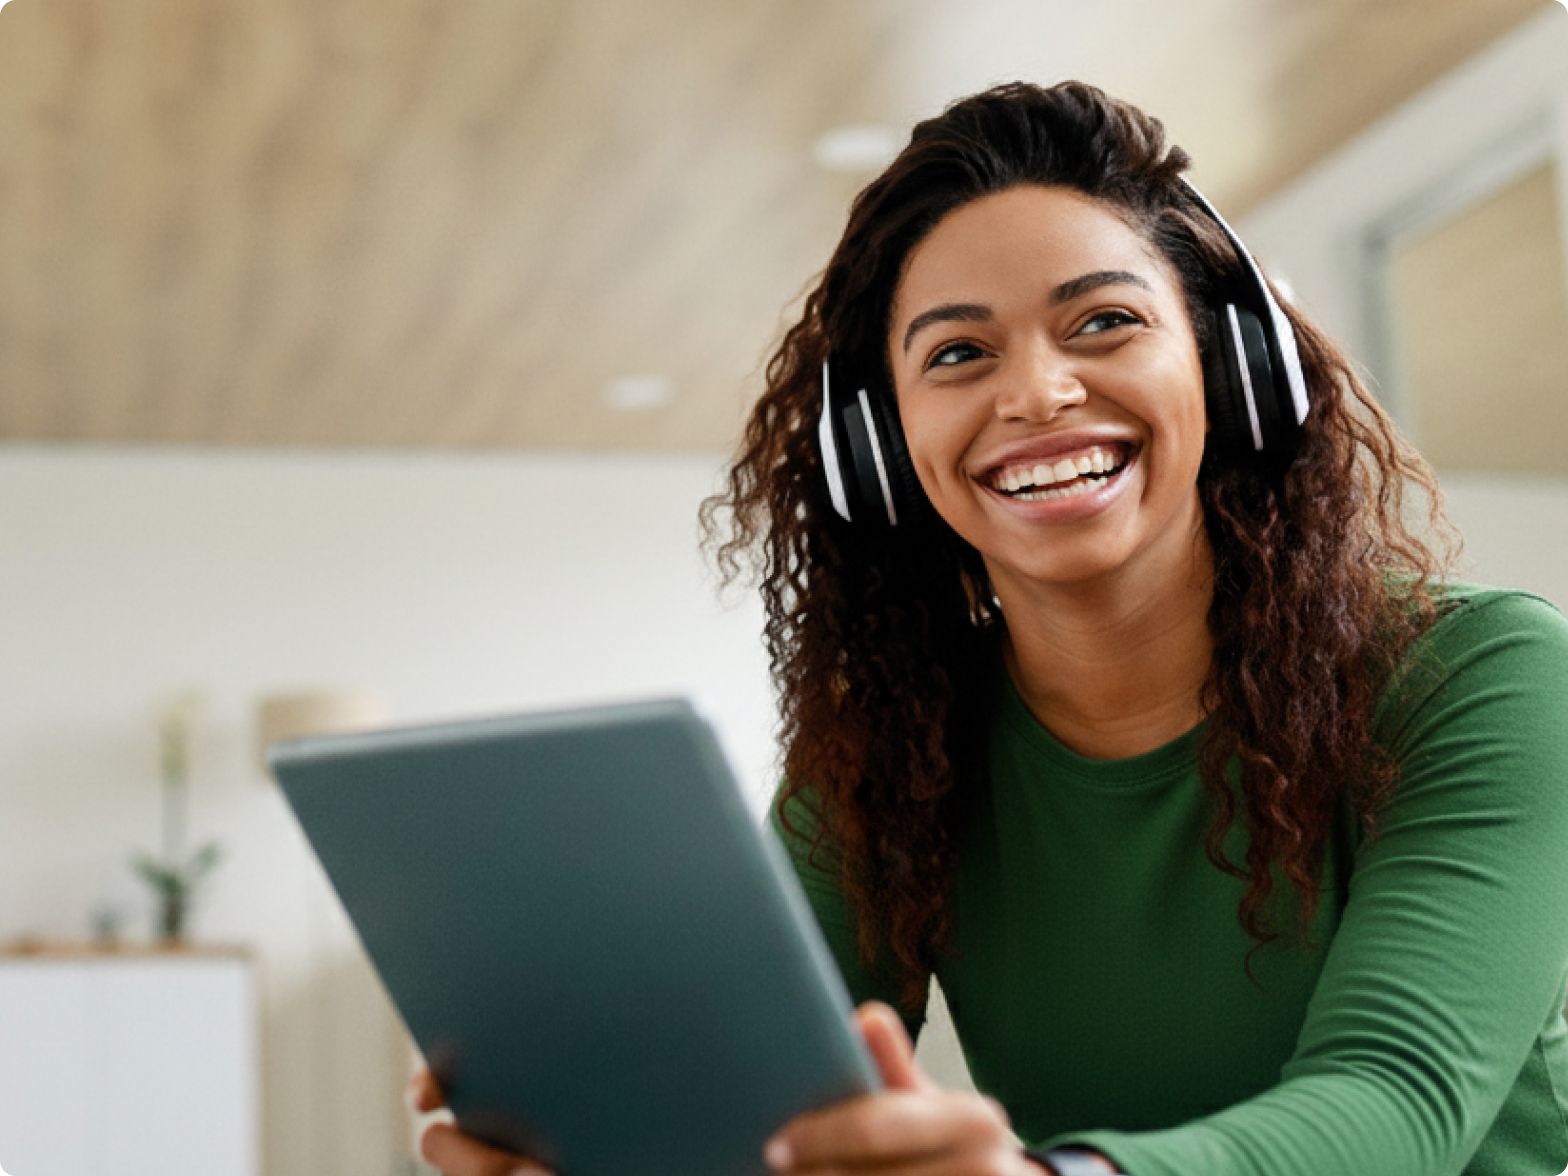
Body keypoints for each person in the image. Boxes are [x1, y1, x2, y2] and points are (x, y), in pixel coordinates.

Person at [409, 81, 1568, 1175]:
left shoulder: (1481, 675)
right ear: (880, 452)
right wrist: (608, 1141)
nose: (1033, 395)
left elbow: (1400, 1101)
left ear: (1228, 369)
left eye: (1103, 322)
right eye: (957, 353)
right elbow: (761, 1108)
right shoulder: (890, 747)